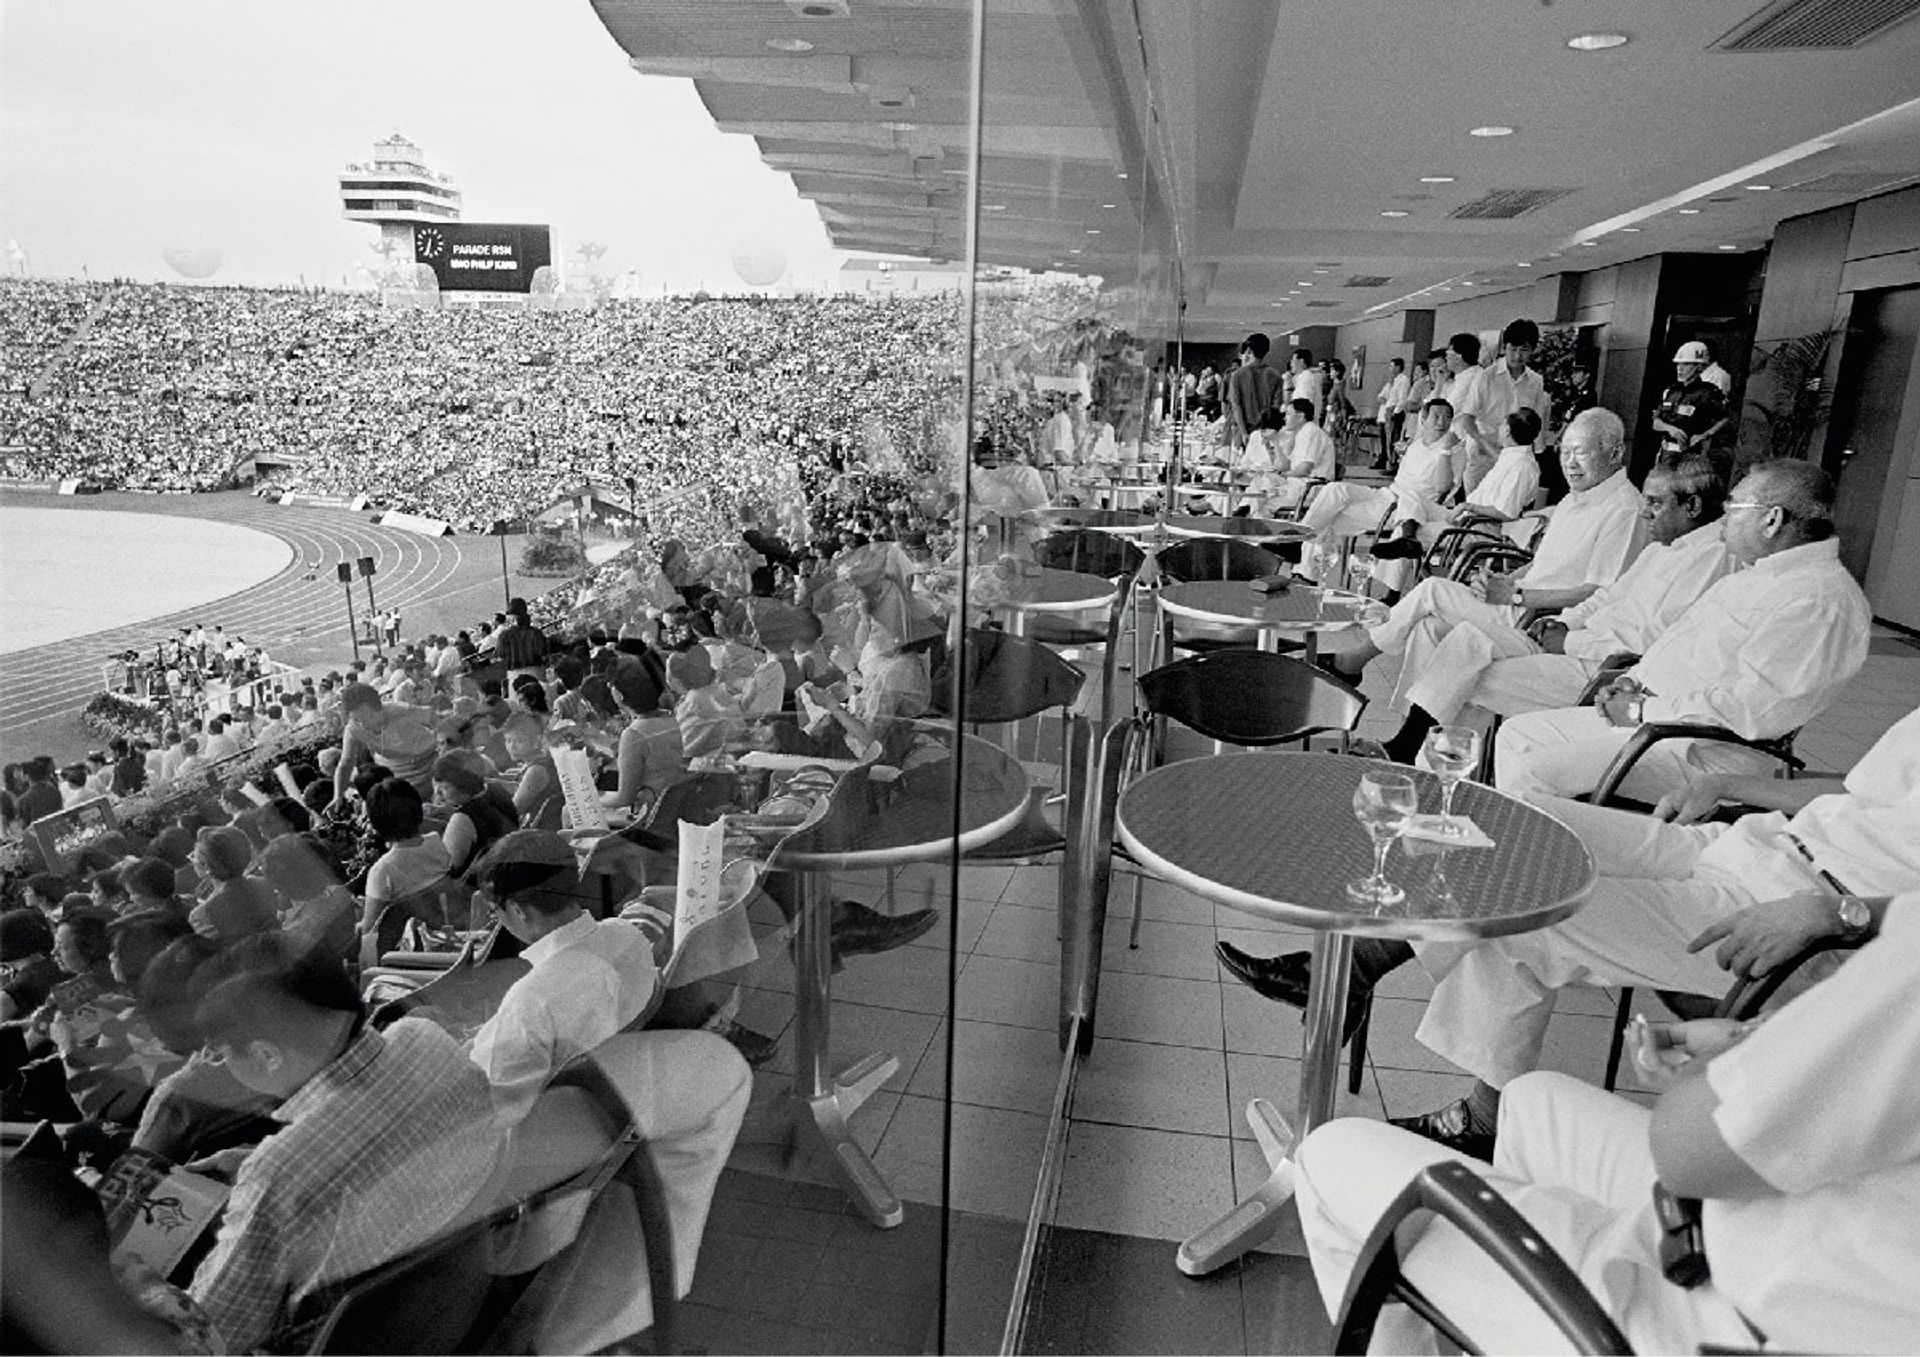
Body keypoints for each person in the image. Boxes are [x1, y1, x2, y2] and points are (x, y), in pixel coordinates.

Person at [1294, 891, 1920, 1354]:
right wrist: (1755, 1042)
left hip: (1734, 1322)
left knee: (1327, 1157)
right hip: (1810, 1236)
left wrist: (1727, 1067)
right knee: (1531, 1103)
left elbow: (1684, 1151)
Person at [186, 936, 503, 1353]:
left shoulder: (279, 1172)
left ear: (267, 1054)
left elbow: (210, 1335)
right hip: (471, 1300)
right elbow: (386, 1136)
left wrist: (139, 1287)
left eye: (222, 1054)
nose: (223, 1066)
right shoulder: (427, 1040)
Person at [1498, 459, 1870, 803]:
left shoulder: (1819, 601)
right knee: (1517, 735)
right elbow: (1679, 647)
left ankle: (1546, 844)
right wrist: (1630, 682)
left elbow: (1752, 710)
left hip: (1698, 752)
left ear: (1771, 520)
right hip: (1655, 722)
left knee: (1532, 770)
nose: (1722, 517)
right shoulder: (1758, 574)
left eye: (1733, 507)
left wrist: (1641, 709)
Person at [1324, 407, 1647, 759]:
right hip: (1518, 602)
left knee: (1433, 592)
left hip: (1543, 620)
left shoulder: (1624, 509)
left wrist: (1517, 595)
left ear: (1615, 453)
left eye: (1580, 452)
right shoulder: (1574, 498)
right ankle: (1418, 742)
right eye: (1565, 452)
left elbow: (1598, 592)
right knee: (1429, 628)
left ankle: (1357, 666)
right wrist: (1505, 579)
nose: (1570, 463)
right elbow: (1542, 564)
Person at [328, 681, 437, 807]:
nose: (363, 724)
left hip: (428, 766)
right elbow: (346, 763)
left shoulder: (400, 711)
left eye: (368, 716)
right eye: (357, 719)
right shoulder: (353, 729)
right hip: (394, 776)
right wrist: (337, 796)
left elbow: (434, 718)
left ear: (379, 707)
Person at [1652, 340, 1730, 457]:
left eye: (1686, 364)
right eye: (1678, 364)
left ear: (1699, 367)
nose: (1680, 369)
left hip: (1692, 456)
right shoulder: (1671, 392)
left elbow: (1725, 419)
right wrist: (1671, 429)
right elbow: (1655, 422)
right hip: (1666, 454)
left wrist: (1705, 435)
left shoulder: (1708, 393)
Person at [1224, 333, 1285, 449]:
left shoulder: (1237, 375)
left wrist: (1243, 433)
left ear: (1249, 350)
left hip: (1244, 430)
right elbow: (1276, 407)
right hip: (1266, 432)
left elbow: (1236, 406)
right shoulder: (1275, 375)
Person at [1372, 356, 1410, 465]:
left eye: (1392, 366)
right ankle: (1388, 461)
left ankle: (1393, 463)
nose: (1390, 369)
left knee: (1393, 438)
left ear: (1398, 367)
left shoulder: (1403, 380)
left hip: (1395, 411)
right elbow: (1381, 396)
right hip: (1389, 411)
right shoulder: (1394, 381)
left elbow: (1402, 398)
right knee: (1388, 438)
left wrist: (1395, 412)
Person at [1287, 347, 1324, 423]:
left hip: (1303, 423)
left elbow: (1303, 406)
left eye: (1293, 361)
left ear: (1301, 361)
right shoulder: (1305, 376)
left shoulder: (1306, 378)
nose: (1291, 364)